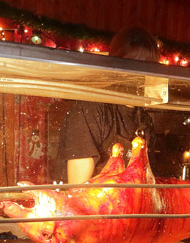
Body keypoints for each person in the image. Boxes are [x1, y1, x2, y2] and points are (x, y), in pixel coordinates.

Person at [52, 26, 159, 183]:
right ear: (115, 65)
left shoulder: (144, 119)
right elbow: (78, 189)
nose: (141, 75)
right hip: (87, 206)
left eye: (149, 67)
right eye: (132, 65)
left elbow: (146, 180)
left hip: (127, 205)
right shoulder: (91, 108)